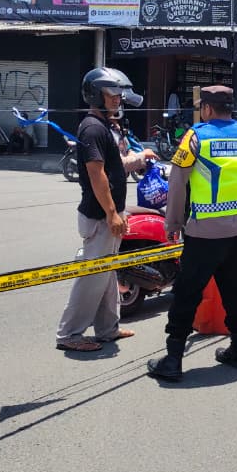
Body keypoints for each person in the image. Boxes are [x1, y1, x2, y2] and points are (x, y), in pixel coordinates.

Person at [148, 85, 237, 382]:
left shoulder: (195, 137)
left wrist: (172, 223)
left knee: (187, 293)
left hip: (203, 232)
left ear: (207, 109)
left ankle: (173, 359)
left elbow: (176, 182)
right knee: (236, 289)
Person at [55, 67, 145, 352]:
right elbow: (97, 175)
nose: (118, 99)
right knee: (93, 276)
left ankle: (108, 328)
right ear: (96, 95)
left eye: (120, 94)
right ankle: (69, 334)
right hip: (98, 215)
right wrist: (111, 213)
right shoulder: (92, 128)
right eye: (112, 94)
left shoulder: (104, 126)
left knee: (107, 274)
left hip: (108, 213)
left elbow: (116, 166)